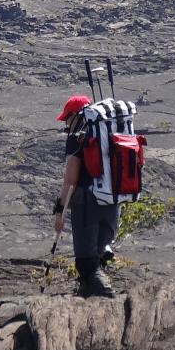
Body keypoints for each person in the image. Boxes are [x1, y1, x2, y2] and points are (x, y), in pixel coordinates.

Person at [54, 94, 118, 298]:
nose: (66, 123)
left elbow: (70, 179)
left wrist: (59, 210)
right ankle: (85, 291)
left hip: (87, 203)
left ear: (76, 115)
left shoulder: (77, 137)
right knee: (99, 253)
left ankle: (106, 296)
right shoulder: (110, 131)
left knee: (86, 259)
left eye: (67, 118)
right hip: (112, 200)